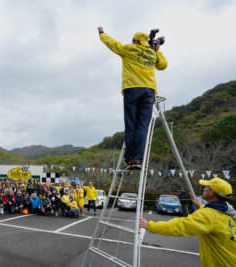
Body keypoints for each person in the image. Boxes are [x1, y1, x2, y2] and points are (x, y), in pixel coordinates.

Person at [98, 26, 167, 169]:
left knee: (131, 125)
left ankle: (130, 158)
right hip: (149, 90)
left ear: (135, 41)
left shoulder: (129, 49)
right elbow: (163, 66)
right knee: (142, 126)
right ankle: (137, 159)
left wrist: (102, 33)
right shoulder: (152, 54)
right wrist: (157, 51)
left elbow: (112, 43)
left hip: (132, 89)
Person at [140, 177, 236, 267]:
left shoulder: (208, 215)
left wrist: (150, 226)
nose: (203, 189)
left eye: (206, 187)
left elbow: (179, 226)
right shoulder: (230, 213)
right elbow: (214, 220)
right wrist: (201, 207)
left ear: (212, 193)